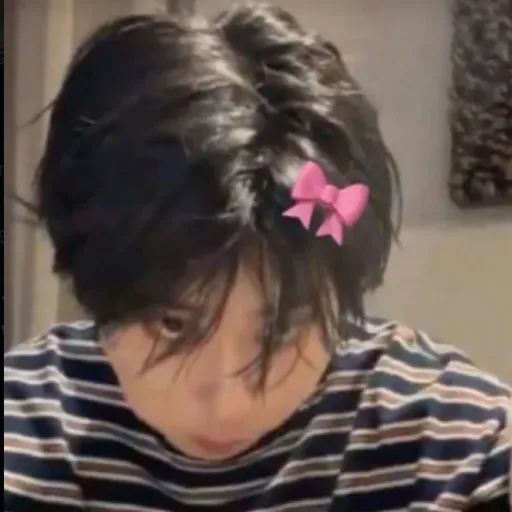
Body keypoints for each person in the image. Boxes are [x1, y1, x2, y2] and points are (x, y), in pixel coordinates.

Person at [4, 3, 510, 511]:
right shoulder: (20, 435)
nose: (228, 403)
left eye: (281, 328)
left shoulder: (461, 454)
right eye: (173, 325)